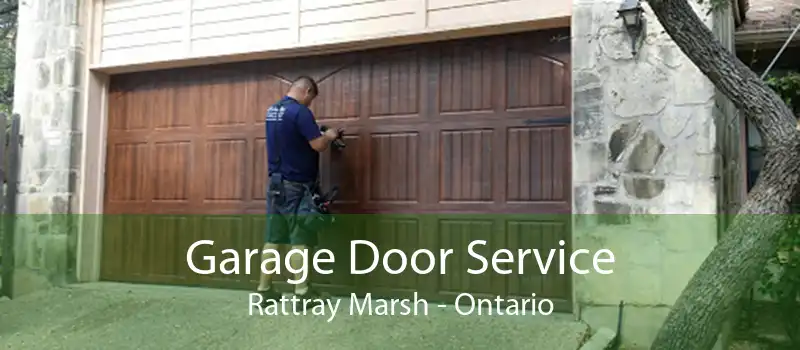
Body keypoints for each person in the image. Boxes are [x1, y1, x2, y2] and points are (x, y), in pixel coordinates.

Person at [256, 76, 342, 306]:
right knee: (299, 238)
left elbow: (290, 139)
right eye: (311, 99)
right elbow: (318, 145)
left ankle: (264, 290)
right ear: (307, 92)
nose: (310, 104)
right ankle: (301, 292)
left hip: (276, 184)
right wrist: (330, 136)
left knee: (273, 238)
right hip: (296, 184)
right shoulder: (301, 112)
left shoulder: (273, 110)